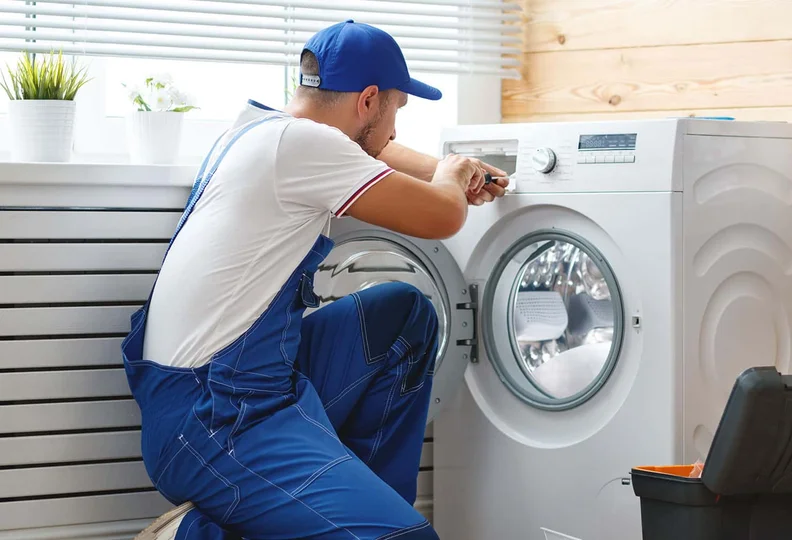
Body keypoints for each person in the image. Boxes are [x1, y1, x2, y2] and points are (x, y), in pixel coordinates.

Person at [127, 20, 507, 540]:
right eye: (396, 108)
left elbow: (378, 152)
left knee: (403, 316)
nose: (395, 129)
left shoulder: (259, 127)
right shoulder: (303, 148)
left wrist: (447, 167)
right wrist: (453, 177)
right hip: (217, 423)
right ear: (368, 100)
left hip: (235, 389)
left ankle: (352, 513)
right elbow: (443, 216)